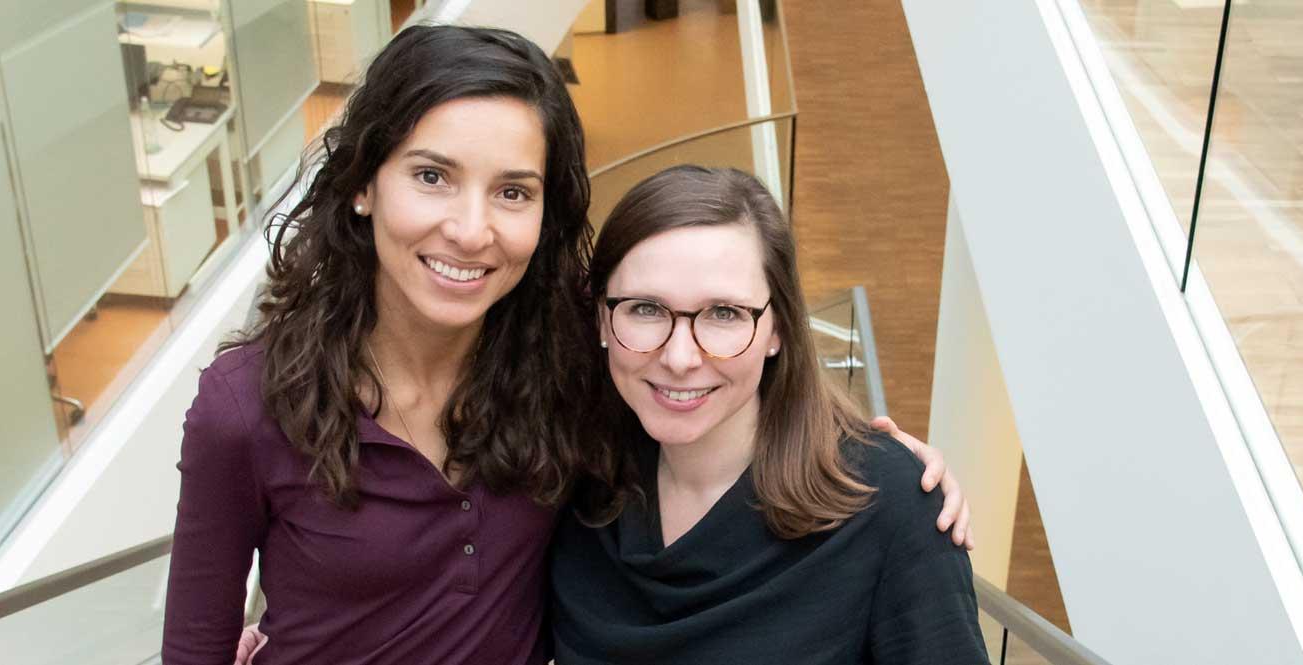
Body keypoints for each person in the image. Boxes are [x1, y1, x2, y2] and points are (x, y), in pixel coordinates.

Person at [174, 25, 971, 665]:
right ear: (361, 182)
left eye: (512, 191)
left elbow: (701, 375)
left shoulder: (564, 370)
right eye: (431, 176)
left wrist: (878, 456)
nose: (471, 228)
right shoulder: (244, 407)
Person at [550, 165, 988, 664]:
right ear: (604, 320)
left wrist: (900, 476)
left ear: (777, 329)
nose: (680, 357)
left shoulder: (886, 505)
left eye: (723, 314)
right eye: (646, 309)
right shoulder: (568, 481)